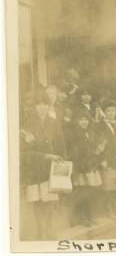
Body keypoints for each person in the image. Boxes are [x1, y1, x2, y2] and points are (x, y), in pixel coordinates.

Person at [20, 92, 64, 240]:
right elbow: (24, 152)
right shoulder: (27, 125)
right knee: (38, 201)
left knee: (50, 201)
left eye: (45, 104)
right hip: (35, 169)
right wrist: (45, 155)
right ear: (35, 107)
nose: (42, 107)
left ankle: (49, 228)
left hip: (51, 168)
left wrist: (64, 162)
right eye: (39, 104)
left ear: (48, 105)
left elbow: (61, 145)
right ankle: (41, 231)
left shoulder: (54, 123)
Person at [95, 99, 116, 219]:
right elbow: (99, 144)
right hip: (107, 160)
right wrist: (102, 159)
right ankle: (109, 211)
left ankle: (115, 209)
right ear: (104, 112)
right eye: (108, 111)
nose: (111, 113)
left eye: (113, 110)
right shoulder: (100, 126)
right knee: (108, 188)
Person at [67, 110, 98, 226]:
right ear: (77, 121)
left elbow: (92, 148)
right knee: (81, 193)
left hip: (89, 166)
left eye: (86, 119)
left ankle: (88, 216)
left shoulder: (89, 132)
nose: (84, 122)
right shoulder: (73, 133)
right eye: (81, 119)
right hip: (80, 167)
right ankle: (81, 218)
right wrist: (77, 165)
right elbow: (73, 152)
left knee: (88, 192)